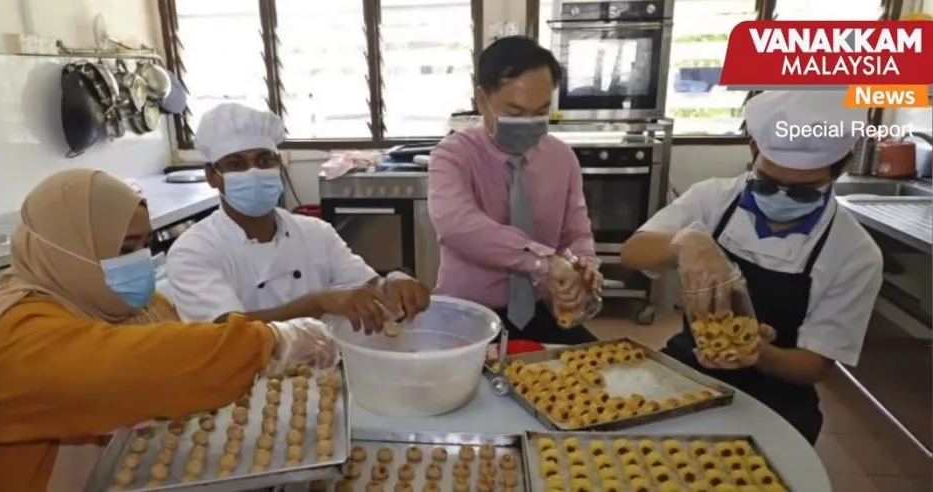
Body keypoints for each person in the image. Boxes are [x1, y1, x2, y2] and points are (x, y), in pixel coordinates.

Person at [0, 169, 337, 491]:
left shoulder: (123, 305)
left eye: (146, 244)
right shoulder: (11, 338)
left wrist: (269, 343)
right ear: (70, 248)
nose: (141, 261)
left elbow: (187, 346)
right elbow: (147, 367)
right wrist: (274, 340)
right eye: (125, 248)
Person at [619, 90, 884, 444]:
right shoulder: (714, 199)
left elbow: (814, 365)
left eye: (803, 192)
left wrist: (758, 353)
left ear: (842, 168)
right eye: (767, 184)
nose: (781, 198)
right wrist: (685, 242)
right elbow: (633, 253)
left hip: (776, 397)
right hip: (687, 370)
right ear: (754, 149)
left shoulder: (854, 253)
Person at [167, 104, 430, 332]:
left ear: (278, 166)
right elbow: (227, 333)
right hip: (241, 373)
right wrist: (318, 302)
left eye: (264, 160)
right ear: (212, 176)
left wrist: (393, 282)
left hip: (323, 366)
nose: (254, 172)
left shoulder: (316, 233)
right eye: (236, 164)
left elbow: (367, 285)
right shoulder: (194, 250)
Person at [427, 36, 602, 345]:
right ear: (482, 100)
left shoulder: (562, 157)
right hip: (468, 312)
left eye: (541, 111)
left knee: (596, 368)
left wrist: (580, 269)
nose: (529, 123)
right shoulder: (452, 156)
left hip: (541, 308)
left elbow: (576, 234)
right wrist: (544, 262)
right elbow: (458, 226)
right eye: (516, 113)